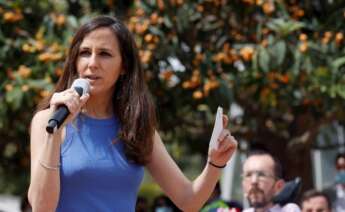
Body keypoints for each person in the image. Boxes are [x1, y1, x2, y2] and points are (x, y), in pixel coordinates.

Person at [27, 16, 238, 212]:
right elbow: (41, 207)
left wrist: (215, 163)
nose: (92, 63)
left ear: (124, 66)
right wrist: (54, 133)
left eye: (104, 54)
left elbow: (188, 200)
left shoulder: (136, 126)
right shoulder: (48, 120)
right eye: (84, 53)